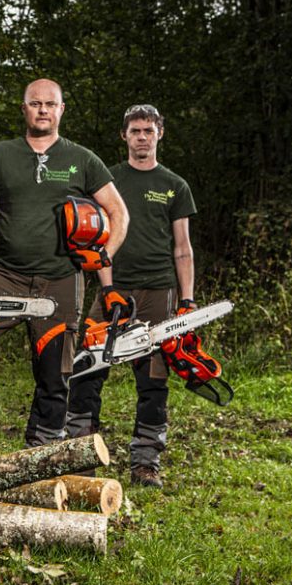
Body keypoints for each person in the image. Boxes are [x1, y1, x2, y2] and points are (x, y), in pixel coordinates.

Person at [0, 79, 129, 460]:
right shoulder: (0, 156)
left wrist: (103, 255)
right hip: (6, 277)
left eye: (50, 104)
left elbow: (119, 213)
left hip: (60, 280)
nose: (42, 109)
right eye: (34, 103)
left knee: (54, 371)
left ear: (61, 110)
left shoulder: (82, 159)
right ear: (24, 108)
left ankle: (36, 457)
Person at [65, 104, 197, 488]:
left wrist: (186, 300)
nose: (142, 136)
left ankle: (145, 461)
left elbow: (183, 248)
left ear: (160, 134)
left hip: (159, 289)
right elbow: (97, 240)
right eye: (135, 131)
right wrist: (107, 289)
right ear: (124, 136)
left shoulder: (175, 185)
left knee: (154, 376)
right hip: (115, 284)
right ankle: (80, 453)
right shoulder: (108, 180)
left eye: (148, 130)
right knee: (88, 366)